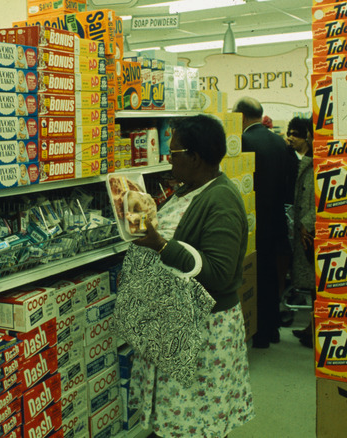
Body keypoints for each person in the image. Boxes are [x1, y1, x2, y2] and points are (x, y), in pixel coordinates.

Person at [128, 114, 254, 438]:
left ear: (195, 157)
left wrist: (161, 245)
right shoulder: (189, 190)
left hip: (203, 334)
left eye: (174, 153)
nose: (169, 160)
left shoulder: (221, 199)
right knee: (174, 423)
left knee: (196, 425)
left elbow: (220, 275)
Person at [232, 97, 293, 348]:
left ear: (242, 117)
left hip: (254, 219)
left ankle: (260, 333)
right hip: (277, 218)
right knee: (272, 275)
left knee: (255, 276)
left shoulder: (244, 142)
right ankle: (272, 327)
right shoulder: (280, 142)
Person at [286, 116, 316, 348]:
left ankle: (314, 329)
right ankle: (312, 327)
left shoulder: (315, 162)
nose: (291, 138)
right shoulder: (300, 160)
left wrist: (308, 222)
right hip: (303, 226)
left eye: (296, 133)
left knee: (317, 282)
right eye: (289, 133)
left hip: (311, 229)